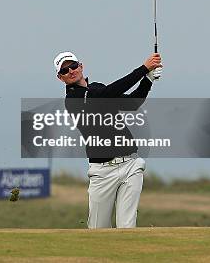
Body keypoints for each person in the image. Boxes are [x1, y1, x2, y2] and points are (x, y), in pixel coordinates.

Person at [53, 51, 162, 229]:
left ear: (81, 66)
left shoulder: (96, 88)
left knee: (127, 227)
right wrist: (144, 69)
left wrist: (148, 80)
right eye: (64, 71)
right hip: (102, 172)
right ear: (60, 78)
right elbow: (108, 92)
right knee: (97, 230)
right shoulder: (73, 99)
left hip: (130, 165)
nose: (71, 71)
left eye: (73, 66)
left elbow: (132, 103)